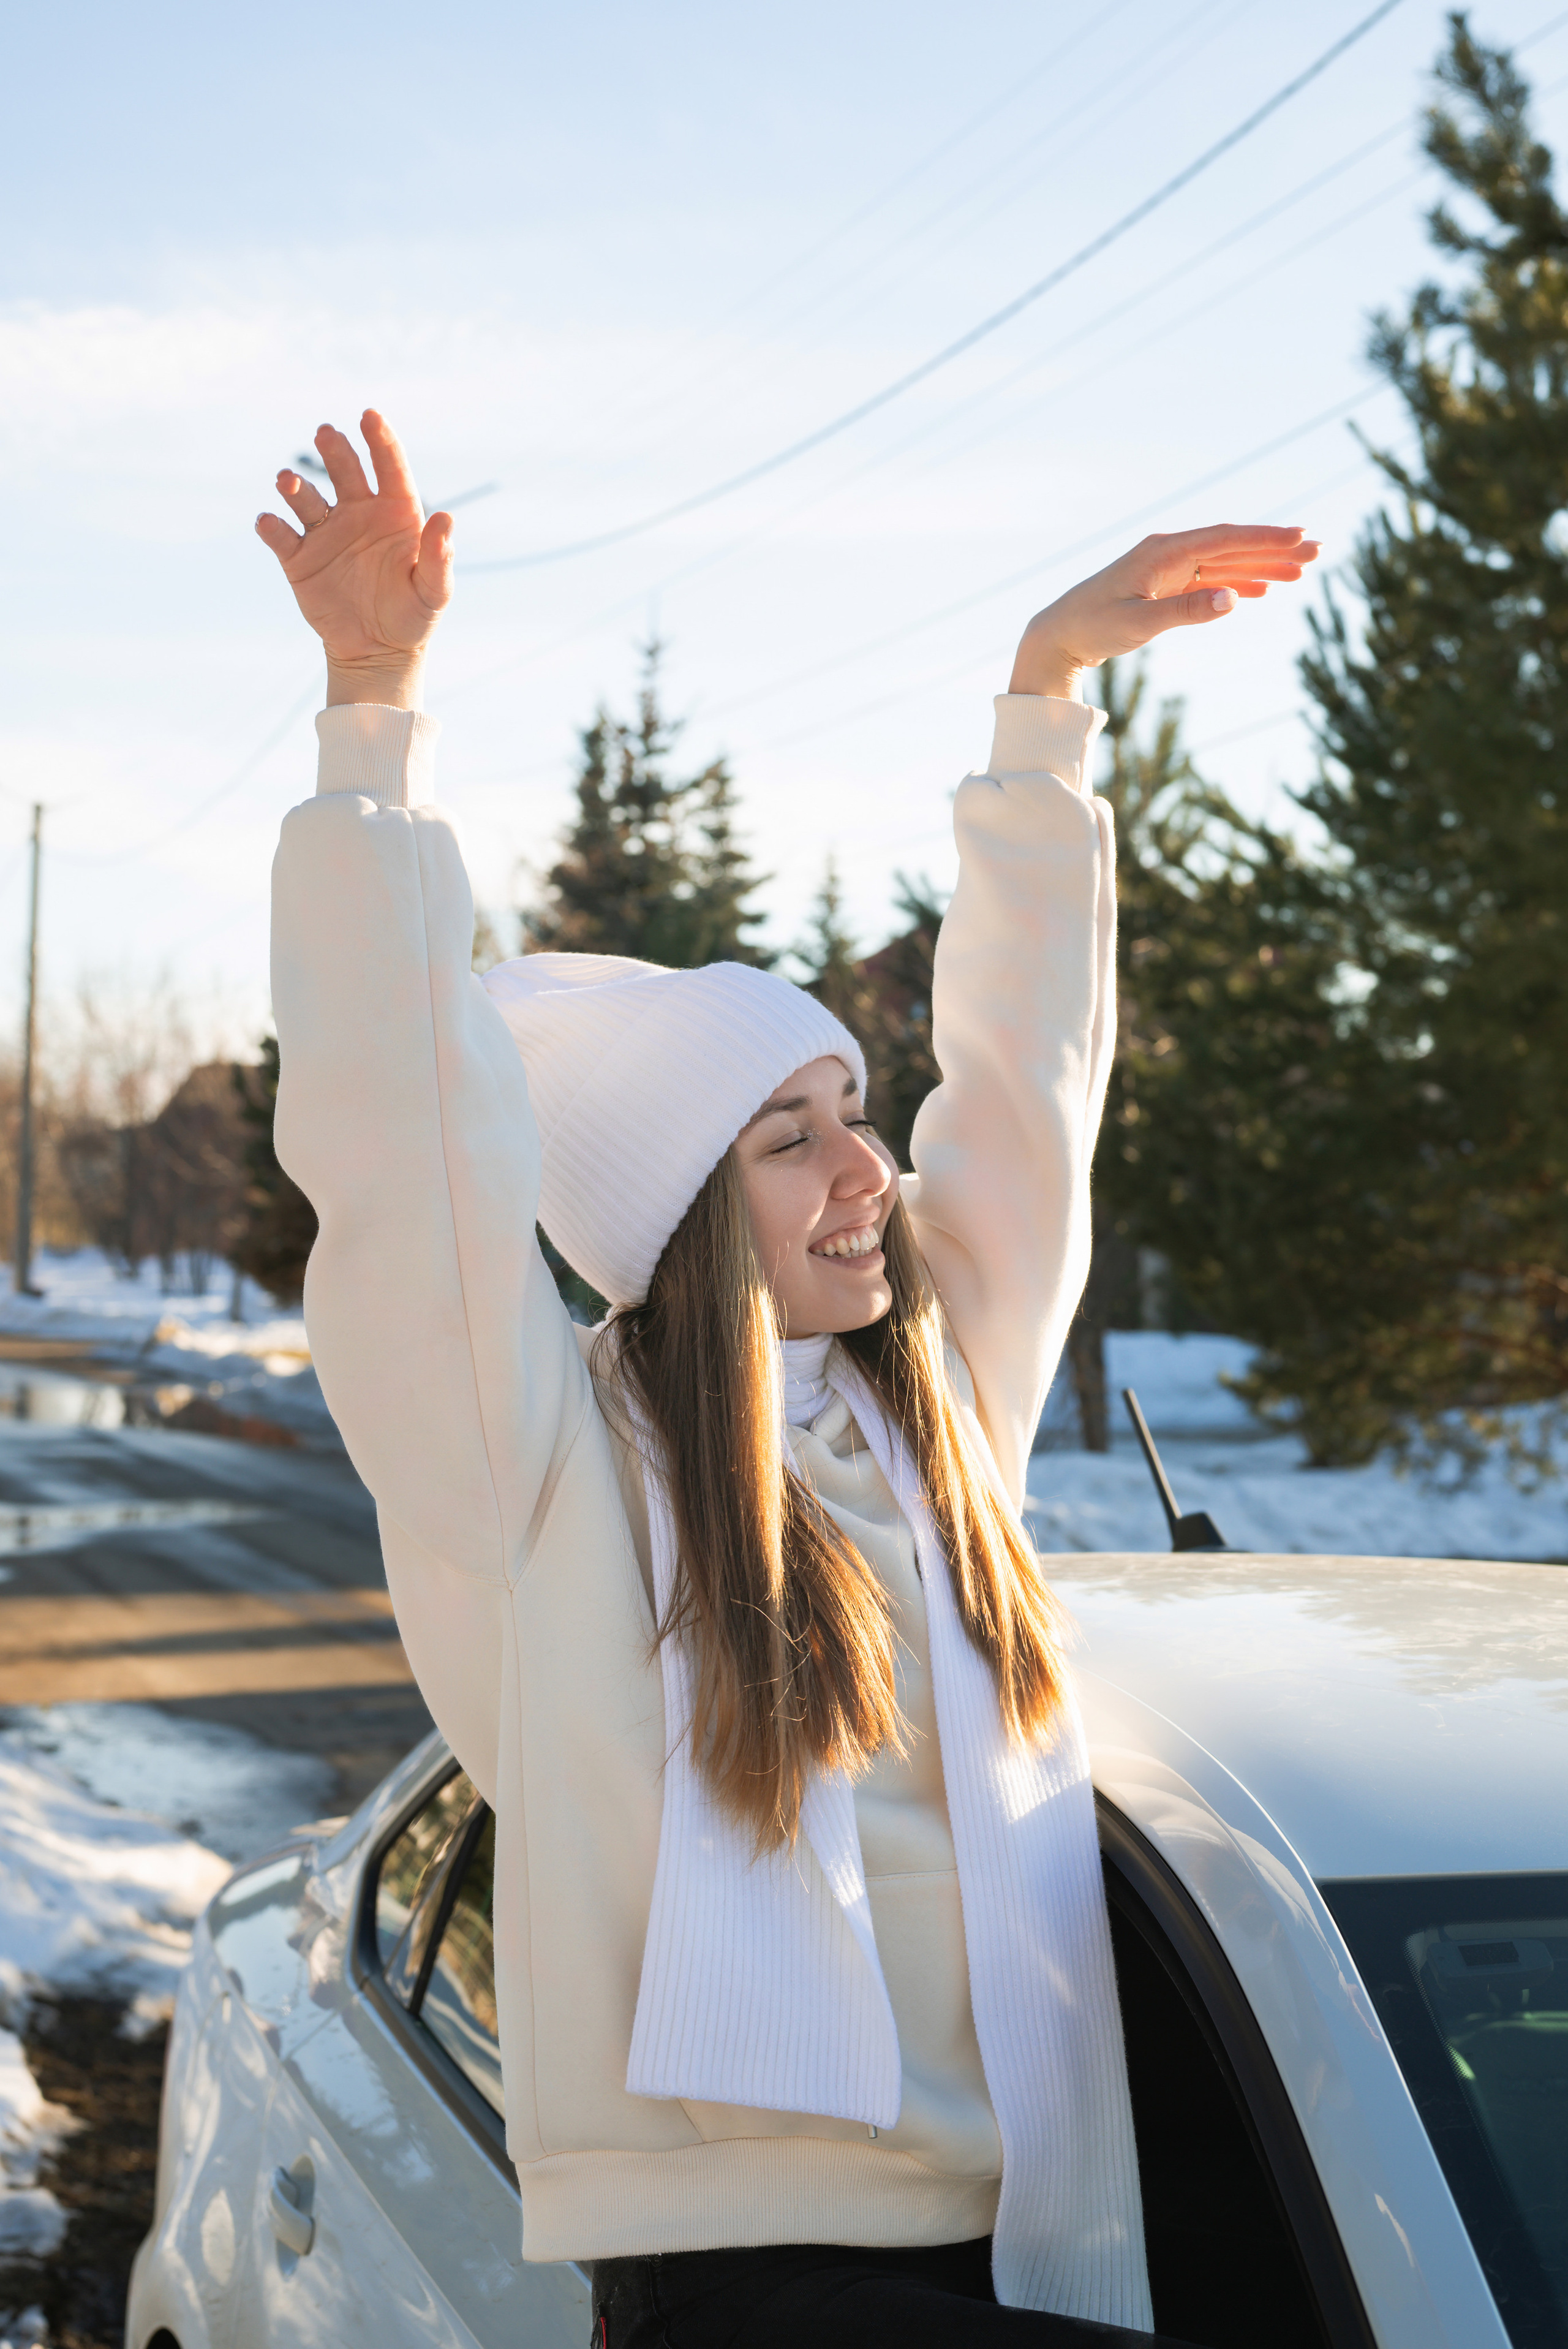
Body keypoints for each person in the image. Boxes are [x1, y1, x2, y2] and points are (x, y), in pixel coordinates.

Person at [258, 410, 1317, 2348]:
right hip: (754, 2281)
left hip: (1053, 2225)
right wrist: (371, 716)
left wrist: (1045, 706)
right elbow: (406, 1160)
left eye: (854, 1111)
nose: (866, 1170)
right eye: (786, 1137)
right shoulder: (549, 1479)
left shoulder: (934, 1434)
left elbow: (1025, 1105)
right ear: (676, 1214)